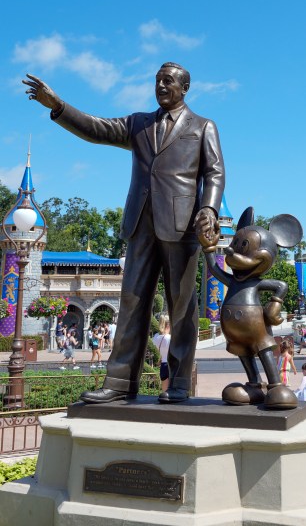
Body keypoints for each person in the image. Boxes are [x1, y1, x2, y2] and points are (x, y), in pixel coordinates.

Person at [24, 64, 225, 404]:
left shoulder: (203, 126)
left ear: (185, 87)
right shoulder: (139, 123)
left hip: (182, 224)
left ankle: (178, 383)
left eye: (168, 81)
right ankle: (119, 382)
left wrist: (209, 209)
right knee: (131, 301)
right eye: (157, 80)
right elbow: (97, 128)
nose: (160, 85)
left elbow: (215, 173)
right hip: (140, 224)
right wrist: (59, 106)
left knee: (181, 306)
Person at [152, 316, 172, 392]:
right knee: (172, 391)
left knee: (164, 391)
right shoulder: (169, 338)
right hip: (170, 365)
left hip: (162, 365)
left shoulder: (156, 336)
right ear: (168, 325)